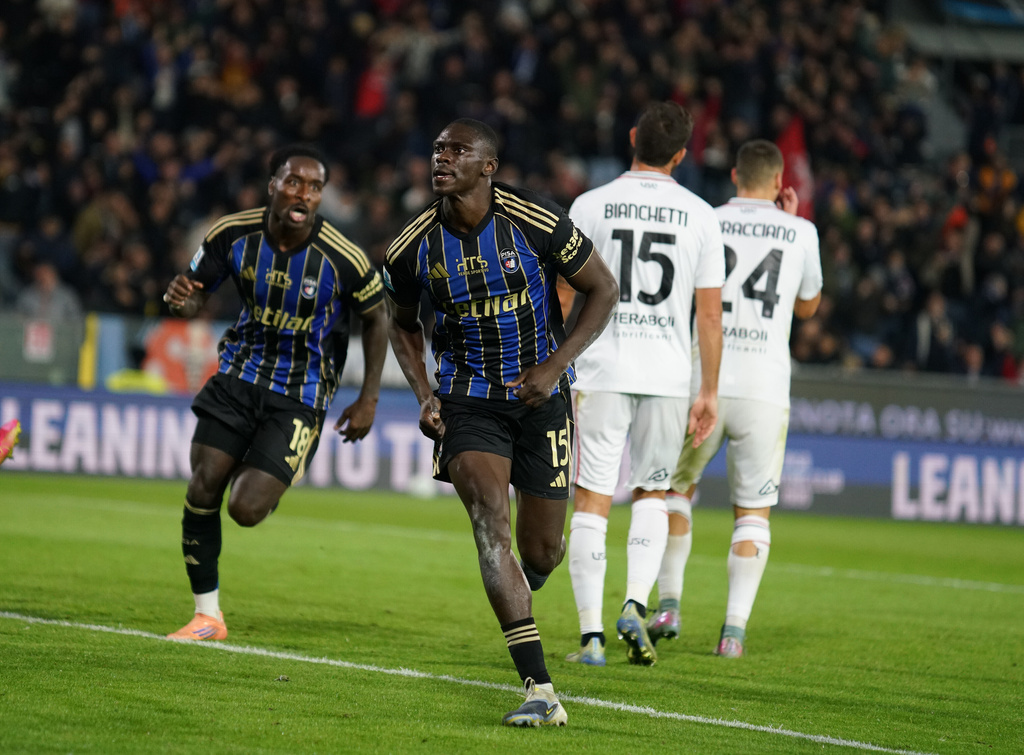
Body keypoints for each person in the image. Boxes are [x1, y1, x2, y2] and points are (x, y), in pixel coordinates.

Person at [383, 118, 618, 727]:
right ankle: (539, 688)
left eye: (456, 150)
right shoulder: (411, 246)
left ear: (487, 166)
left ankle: (522, 583)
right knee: (490, 518)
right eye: (436, 149)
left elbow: (603, 290)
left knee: (543, 551)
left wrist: (555, 364)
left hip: (543, 398)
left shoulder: (536, 221)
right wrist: (423, 393)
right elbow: (402, 324)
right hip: (468, 398)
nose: (441, 158)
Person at [162, 144, 388, 641]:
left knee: (245, 509)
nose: (303, 193)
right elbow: (189, 294)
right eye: (293, 182)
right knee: (202, 488)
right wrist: (180, 299)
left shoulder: (342, 257)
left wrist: (368, 396)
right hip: (239, 374)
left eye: (314, 186)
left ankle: (272, 475)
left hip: (301, 392)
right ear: (272, 186)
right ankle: (207, 616)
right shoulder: (230, 233)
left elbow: (377, 316)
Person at [562, 101, 724, 668]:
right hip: (667, 375)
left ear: (632, 137)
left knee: (591, 498)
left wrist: (556, 358)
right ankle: (634, 603)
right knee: (654, 492)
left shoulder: (591, 204)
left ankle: (590, 639)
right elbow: (709, 315)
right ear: (682, 154)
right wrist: (708, 392)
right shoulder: (702, 216)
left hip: (602, 368)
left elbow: (563, 291)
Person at [648, 139, 822, 658]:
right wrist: (786, 221)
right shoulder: (802, 231)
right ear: (778, 183)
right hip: (766, 390)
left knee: (676, 491)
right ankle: (733, 633)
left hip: (706, 384)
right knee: (753, 512)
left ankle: (669, 605)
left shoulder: (705, 219)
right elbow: (808, 308)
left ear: (733, 176)